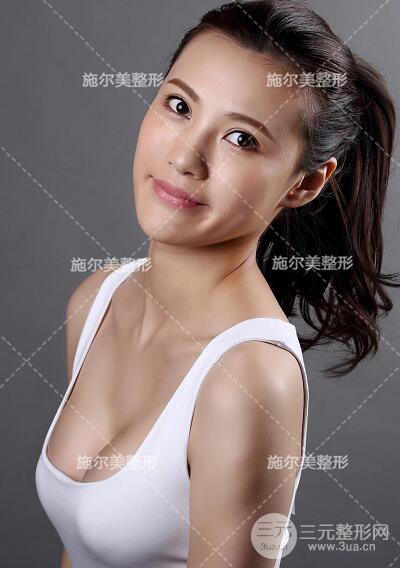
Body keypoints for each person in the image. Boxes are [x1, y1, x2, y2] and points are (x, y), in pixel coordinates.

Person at [35, 1, 398, 566]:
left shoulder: (249, 379)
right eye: (179, 106)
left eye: (241, 139)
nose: (186, 157)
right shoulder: (99, 300)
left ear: (304, 184)